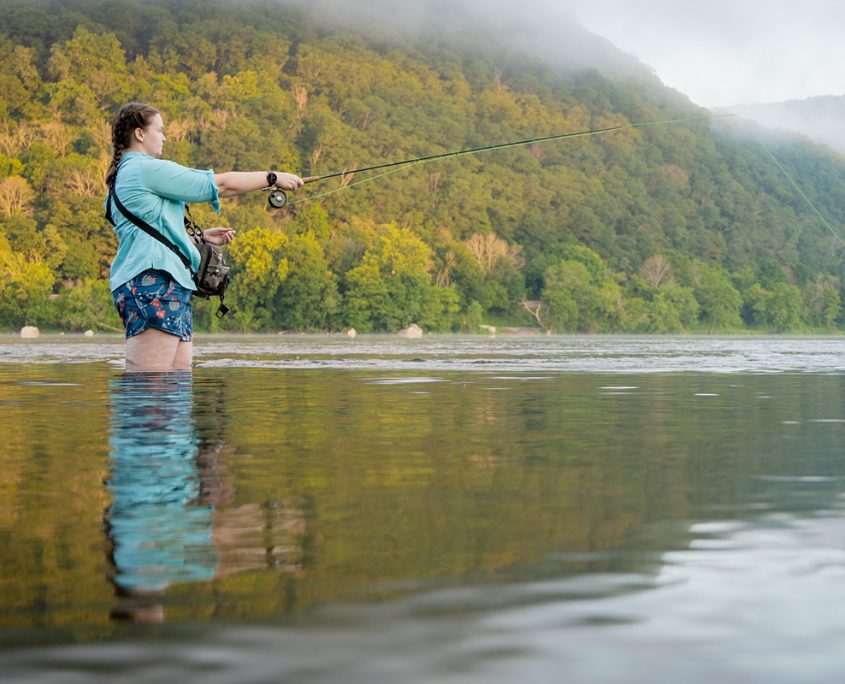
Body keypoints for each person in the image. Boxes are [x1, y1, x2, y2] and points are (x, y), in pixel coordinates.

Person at [105, 102, 303, 372]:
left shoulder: (125, 175)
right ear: (139, 134)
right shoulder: (144, 169)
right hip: (153, 283)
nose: (164, 137)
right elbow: (219, 185)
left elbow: (146, 235)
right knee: (151, 383)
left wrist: (198, 240)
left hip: (161, 283)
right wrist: (272, 177)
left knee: (177, 379)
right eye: (159, 130)